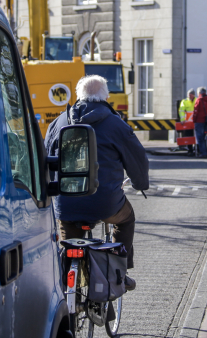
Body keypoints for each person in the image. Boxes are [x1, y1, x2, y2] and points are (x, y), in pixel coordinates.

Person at [44, 75, 149, 290]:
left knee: (68, 243)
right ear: (105, 97)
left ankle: (66, 289)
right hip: (105, 203)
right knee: (126, 219)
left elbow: (45, 157)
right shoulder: (115, 124)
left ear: (78, 96)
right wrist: (140, 183)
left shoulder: (59, 122)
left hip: (67, 201)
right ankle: (121, 271)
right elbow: (137, 158)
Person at [178, 88, 196, 156]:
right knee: (189, 137)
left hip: (195, 122)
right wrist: (182, 120)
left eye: (190, 95)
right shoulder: (184, 101)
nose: (189, 96)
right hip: (188, 123)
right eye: (188, 95)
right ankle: (190, 150)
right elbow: (181, 111)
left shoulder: (196, 100)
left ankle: (196, 149)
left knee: (196, 136)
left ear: (193, 95)